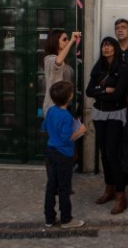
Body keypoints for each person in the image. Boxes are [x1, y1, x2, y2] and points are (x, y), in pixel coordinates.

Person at [86, 37, 128, 215]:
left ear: (115, 48)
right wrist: (105, 90)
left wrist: (101, 92)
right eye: (104, 45)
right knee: (104, 154)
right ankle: (109, 188)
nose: (106, 48)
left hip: (116, 114)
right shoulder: (98, 67)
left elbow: (119, 95)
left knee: (113, 154)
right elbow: (90, 91)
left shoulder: (123, 68)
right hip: (99, 114)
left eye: (109, 45)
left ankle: (121, 196)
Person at [42, 80, 87, 229]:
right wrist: (80, 131)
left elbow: (45, 127)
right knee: (64, 188)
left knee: (51, 185)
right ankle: (66, 219)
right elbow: (67, 137)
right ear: (69, 97)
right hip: (63, 154)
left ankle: (49, 218)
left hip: (50, 150)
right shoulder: (66, 116)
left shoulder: (50, 110)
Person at [42, 29, 80, 118]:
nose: (67, 41)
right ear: (55, 41)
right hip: (54, 107)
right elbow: (57, 61)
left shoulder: (65, 60)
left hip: (66, 105)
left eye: (67, 39)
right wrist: (71, 41)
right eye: (64, 39)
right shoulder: (49, 59)